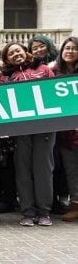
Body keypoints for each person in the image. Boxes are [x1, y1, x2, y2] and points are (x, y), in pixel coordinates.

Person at [3, 42, 56, 227]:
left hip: (45, 129)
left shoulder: (44, 69)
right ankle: (27, 211)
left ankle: (44, 212)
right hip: (20, 131)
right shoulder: (6, 77)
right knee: (23, 170)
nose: (15, 54)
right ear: (7, 59)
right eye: (11, 53)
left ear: (25, 52)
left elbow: (55, 94)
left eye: (18, 50)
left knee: (43, 170)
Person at [53, 37, 78, 221]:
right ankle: (75, 204)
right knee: (71, 170)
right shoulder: (53, 72)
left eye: (74, 48)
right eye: (67, 48)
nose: (70, 51)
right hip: (65, 133)